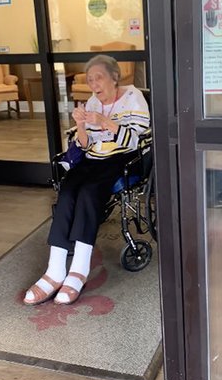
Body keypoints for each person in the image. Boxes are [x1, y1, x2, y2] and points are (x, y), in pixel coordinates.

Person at [24, 55, 150, 306]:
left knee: (89, 194)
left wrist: (105, 121)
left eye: (98, 77)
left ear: (115, 77)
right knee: (68, 192)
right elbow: (84, 144)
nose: (94, 84)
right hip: (93, 159)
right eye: (90, 79)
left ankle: (79, 271)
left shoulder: (133, 97)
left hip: (120, 159)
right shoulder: (92, 101)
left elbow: (136, 141)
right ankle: (55, 270)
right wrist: (81, 125)